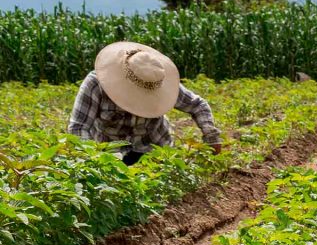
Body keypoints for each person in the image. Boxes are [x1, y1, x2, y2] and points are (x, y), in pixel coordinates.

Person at [68, 42, 221, 166]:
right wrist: (92, 162)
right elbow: (79, 128)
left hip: (154, 151)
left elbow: (198, 105)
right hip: (110, 155)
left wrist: (211, 137)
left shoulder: (157, 81)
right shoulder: (97, 84)